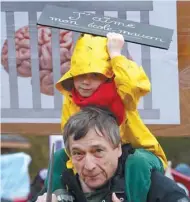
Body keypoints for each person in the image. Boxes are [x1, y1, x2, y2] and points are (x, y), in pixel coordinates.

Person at [54, 32, 167, 202]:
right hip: (99, 157)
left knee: (138, 162)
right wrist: (77, 166)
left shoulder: (121, 92)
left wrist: (115, 55)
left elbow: (135, 84)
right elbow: (70, 135)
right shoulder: (72, 98)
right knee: (59, 156)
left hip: (137, 153)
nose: (85, 81)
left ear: (108, 75)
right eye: (80, 74)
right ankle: (57, 195)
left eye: (95, 75)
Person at [35, 107, 189, 202]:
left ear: (118, 149)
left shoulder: (146, 182)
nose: (89, 166)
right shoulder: (57, 185)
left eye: (98, 151)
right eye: (78, 153)